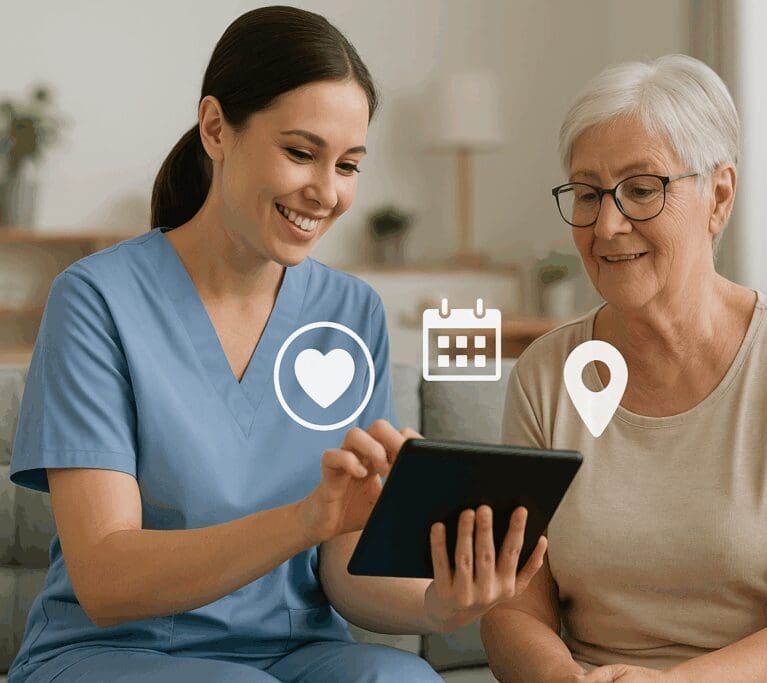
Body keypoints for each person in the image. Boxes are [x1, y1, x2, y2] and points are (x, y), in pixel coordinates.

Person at [7, 7, 545, 683]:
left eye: (348, 164)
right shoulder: (95, 301)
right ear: (215, 129)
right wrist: (303, 519)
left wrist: (441, 603)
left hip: (294, 654)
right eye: (300, 152)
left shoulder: (351, 313)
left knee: (406, 680)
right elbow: (107, 577)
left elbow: (344, 564)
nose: (326, 191)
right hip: (114, 653)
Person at [481, 55, 767, 682]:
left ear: (718, 196)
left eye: (641, 189)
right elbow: (514, 607)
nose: (607, 224)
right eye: (586, 193)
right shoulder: (546, 374)